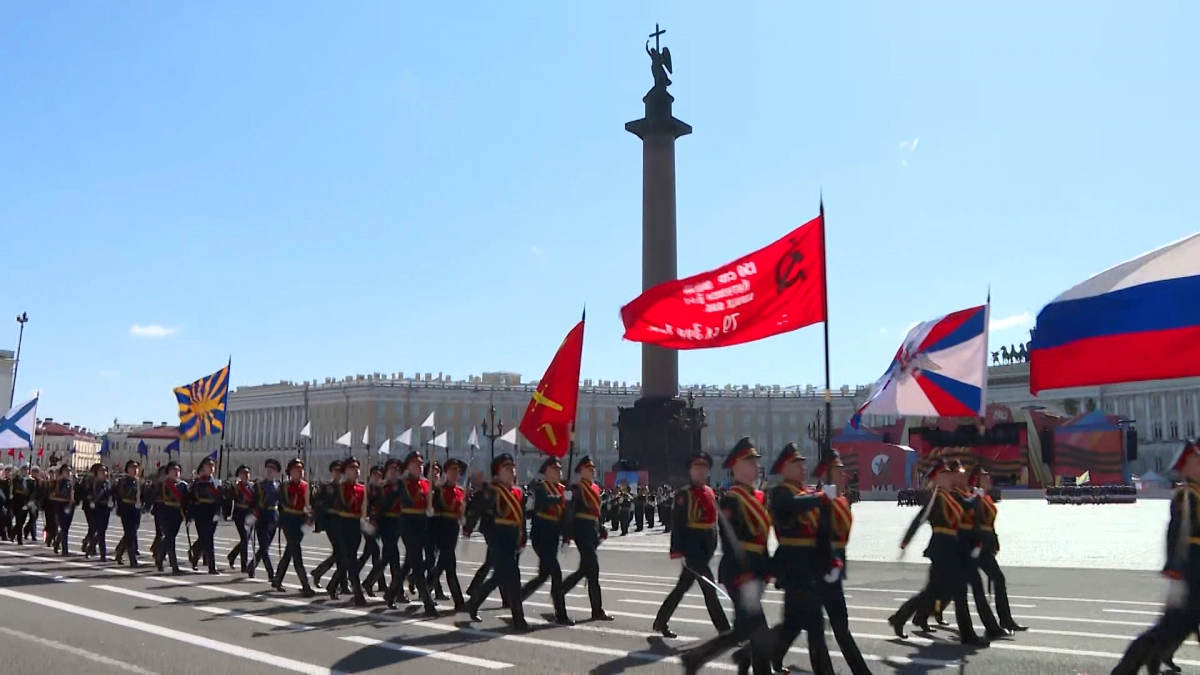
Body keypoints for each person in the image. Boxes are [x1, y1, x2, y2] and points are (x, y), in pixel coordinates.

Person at [680, 438, 776, 675]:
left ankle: (701, 657)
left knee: (745, 630)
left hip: (755, 573)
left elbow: (762, 540)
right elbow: (731, 540)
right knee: (758, 629)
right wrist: (746, 575)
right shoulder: (732, 499)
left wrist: (766, 570)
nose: (756, 465)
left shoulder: (758, 497)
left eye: (757, 461)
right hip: (740, 573)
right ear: (737, 466)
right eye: (751, 461)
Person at [1111, 440, 1200, 675]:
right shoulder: (1186, 495)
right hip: (1190, 571)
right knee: (1166, 631)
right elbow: (1176, 535)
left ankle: (1148, 665)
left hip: (1195, 571)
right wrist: (1176, 573)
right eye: (1197, 461)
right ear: (1188, 466)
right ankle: (1125, 670)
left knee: (1173, 630)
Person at [889, 459, 986, 645]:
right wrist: (905, 542)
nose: (951, 478)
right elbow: (919, 519)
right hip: (941, 548)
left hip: (952, 548)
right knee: (957, 590)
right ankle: (967, 635)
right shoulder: (937, 497)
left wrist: (976, 497)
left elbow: (967, 506)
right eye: (946, 475)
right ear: (938, 478)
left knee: (931, 592)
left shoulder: (952, 497)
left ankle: (900, 618)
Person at [764, 443, 836, 675]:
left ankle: (772, 656)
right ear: (784, 468)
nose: (803, 468)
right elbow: (792, 507)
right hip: (793, 566)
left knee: (793, 623)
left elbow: (821, 532)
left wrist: (830, 560)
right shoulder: (780, 493)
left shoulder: (808, 494)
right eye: (797, 464)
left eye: (803, 464)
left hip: (811, 565)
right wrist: (821, 498)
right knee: (815, 624)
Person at [653, 451, 728, 638]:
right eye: (697, 468)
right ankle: (725, 630)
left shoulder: (710, 492)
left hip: (706, 547)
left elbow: (714, 521)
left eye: (704, 468)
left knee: (682, 587)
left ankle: (661, 621)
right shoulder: (684, 494)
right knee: (709, 588)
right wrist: (678, 551)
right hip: (693, 548)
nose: (701, 472)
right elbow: (677, 524)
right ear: (691, 471)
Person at [814, 451, 872, 675]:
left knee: (838, 623)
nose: (842, 475)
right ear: (826, 474)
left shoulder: (842, 500)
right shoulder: (819, 500)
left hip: (837, 565)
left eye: (841, 471)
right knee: (813, 623)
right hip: (822, 568)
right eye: (837, 472)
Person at [464, 453, 530, 631]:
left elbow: (521, 517)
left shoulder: (517, 492)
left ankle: (473, 603)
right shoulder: (493, 490)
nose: (512, 471)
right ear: (497, 473)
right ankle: (519, 621)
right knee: (514, 577)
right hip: (498, 538)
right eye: (507, 468)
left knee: (499, 577)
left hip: (512, 538)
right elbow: (477, 507)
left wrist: (523, 538)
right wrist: (468, 527)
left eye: (512, 468)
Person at [970, 465, 1026, 633]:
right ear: (977, 480)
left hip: (986, 547)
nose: (988, 478)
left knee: (995, 580)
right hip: (975, 547)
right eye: (984, 476)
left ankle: (1005, 620)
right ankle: (1003, 621)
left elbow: (989, 524)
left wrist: (993, 543)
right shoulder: (974, 497)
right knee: (995, 580)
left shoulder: (986, 497)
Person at [520, 456, 573, 625]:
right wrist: (561, 498)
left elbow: (565, 516)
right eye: (555, 470)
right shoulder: (541, 487)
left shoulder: (563, 489)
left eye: (560, 470)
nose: (559, 472)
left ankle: (517, 597)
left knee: (543, 576)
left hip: (554, 536)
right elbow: (542, 502)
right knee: (556, 573)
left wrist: (566, 537)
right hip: (541, 535)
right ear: (547, 472)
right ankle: (561, 614)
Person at [561, 456, 615, 621]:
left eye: (593, 468)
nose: (592, 470)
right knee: (593, 569)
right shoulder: (577, 489)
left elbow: (597, 512)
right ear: (581, 471)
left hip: (592, 531)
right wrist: (567, 535)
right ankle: (596, 610)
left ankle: (559, 592)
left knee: (585, 570)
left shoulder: (596, 488)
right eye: (588, 468)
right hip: (582, 530)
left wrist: (601, 529)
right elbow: (570, 512)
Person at [428, 457, 468, 612]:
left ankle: (426, 587)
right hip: (441, 530)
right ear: (446, 472)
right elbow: (434, 511)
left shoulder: (460, 492)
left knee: (444, 565)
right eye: (452, 470)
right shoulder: (438, 489)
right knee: (449, 565)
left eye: (457, 471)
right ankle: (459, 602)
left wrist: (464, 516)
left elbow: (463, 512)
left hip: (453, 531)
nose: (455, 474)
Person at [273, 457, 316, 597]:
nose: (300, 471)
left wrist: (310, 516)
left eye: (301, 469)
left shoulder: (306, 486)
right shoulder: (285, 486)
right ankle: (305, 585)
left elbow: (311, 505)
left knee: (289, 552)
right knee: (296, 552)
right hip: (289, 521)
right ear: (290, 472)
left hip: (301, 522)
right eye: (296, 469)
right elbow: (281, 504)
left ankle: (277, 579)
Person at [329, 457, 368, 606]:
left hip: (356, 525)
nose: (356, 471)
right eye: (352, 468)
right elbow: (328, 505)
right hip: (342, 525)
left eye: (357, 468)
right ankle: (358, 594)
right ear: (346, 471)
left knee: (348, 559)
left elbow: (365, 507)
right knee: (351, 560)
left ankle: (333, 585)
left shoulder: (362, 488)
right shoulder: (338, 488)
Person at [248, 458, 282, 581]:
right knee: (264, 546)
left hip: (273, 518)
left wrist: (282, 519)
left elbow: (282, 504)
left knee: (265, 546)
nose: (269, 471)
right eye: (268, 468)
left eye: (272, 469)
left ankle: (251, 566)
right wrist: (252, 514)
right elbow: (251, 502)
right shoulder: (258, 486)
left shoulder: (279, 487)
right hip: (261, 517)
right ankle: (271, 573)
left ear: (276, 472)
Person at [188, 456, 221, 574]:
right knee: (207, 539)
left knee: (205, 539)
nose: (211, 468)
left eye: (212, 466)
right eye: (208, 466)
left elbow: (221, 499)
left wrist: (219, 513)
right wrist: (190, 515)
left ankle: (194, 556)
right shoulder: (198, 483)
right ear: (203, 468)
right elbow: (190, 500)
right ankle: (211, 567)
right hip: (201, 512)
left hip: (212, 513)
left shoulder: (216, 483)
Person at [154, 461, 189, 575]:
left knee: (171, 537)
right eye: (174, 470)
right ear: (168, 472)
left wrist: (188, 515)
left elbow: (186, 501)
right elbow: (155, 498)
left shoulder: (182, 485)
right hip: (165, 512)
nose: (176, 473)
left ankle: (159, 557)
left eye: (178, 470)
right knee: (170, 537)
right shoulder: (162, 484)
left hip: (177, 513)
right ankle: (174, 565)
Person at [113, 460, 142, 567]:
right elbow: (119, 495)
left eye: (136, 468)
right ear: (127, 469)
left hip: (136, 509)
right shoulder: (123, 482)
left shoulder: (139, 482)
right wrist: (119, 508)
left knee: (131, 532)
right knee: (130, 534)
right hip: (126, 509)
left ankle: (119, 552)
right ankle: (132, 559)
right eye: (132, 468)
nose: (135, 470)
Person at [226, 465, 254, 573]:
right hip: (239, 514)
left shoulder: (253, 487)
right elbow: (229, 500)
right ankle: (244, 565)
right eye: (243, 473)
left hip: (250, 515)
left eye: (247, 473)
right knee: (244, 538)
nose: (246, 475)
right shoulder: (236, 487)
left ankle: (232, 555)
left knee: (245, 539)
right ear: (239, 475)